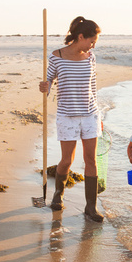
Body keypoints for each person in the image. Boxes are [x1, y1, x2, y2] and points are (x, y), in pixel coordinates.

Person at [38, 16, 104, 222]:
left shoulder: (91, 57)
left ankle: (90, 207)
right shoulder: (56, 57)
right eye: (91, 41)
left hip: (90, 115)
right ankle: (58, 195)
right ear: (80, 36)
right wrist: (45, 87)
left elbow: (92, 87)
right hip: (67, 115)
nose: (93, 45)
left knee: (91, 160)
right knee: (67, 160)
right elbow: (48, 82)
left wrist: (98, 115)